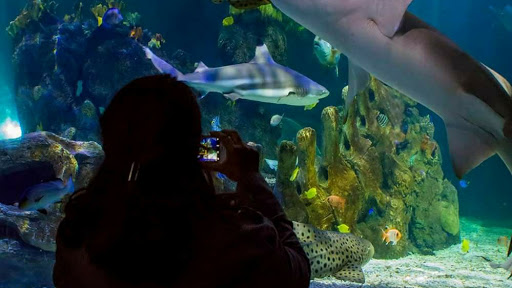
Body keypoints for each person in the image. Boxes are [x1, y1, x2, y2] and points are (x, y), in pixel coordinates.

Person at [53, 75, 311, 288]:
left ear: (109, 140)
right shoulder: (238, 236)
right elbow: (296, 272)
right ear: (195, 147)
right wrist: (251, 177)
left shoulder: (77, 230)